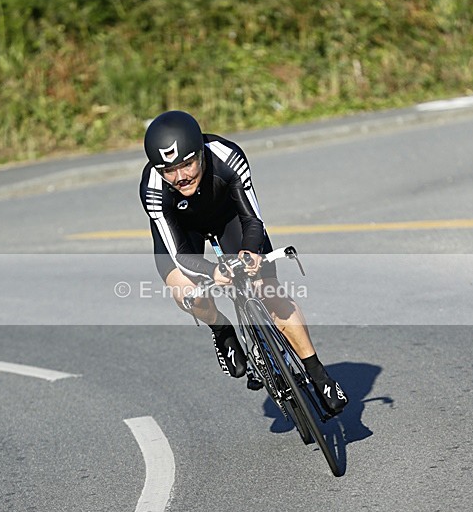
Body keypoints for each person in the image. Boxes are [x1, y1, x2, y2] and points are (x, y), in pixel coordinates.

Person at [139, 110, 348, 416]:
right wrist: (213, 271)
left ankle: (318, 373)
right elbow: (179, 253)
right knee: (186, 293)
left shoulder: (227, 156)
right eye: (169, 170)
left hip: (231, 217)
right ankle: (221, 329)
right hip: (183, 234)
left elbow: (252, 219)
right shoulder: (153, 188)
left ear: (201, 153)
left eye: (187, 164)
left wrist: (249, 252)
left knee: (270, 290)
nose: (180, 176)